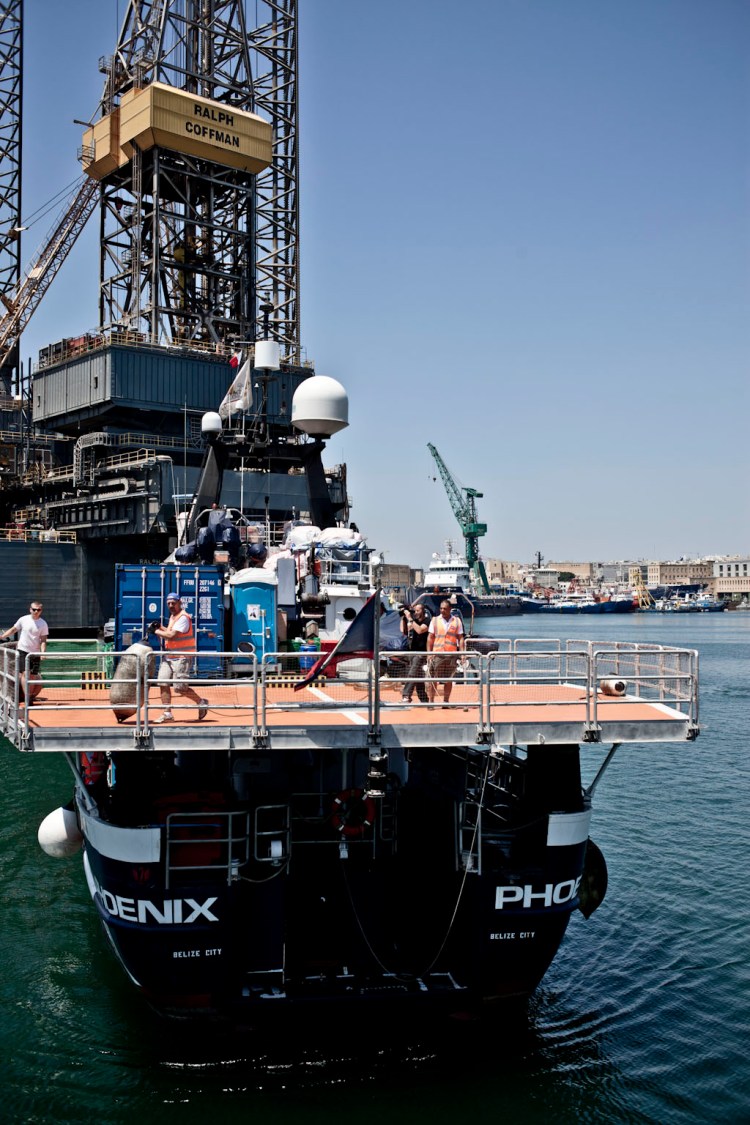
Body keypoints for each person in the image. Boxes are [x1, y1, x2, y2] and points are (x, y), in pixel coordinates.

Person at [150, 593, 208, 723]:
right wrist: (160, 627)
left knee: (179, 688)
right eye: (169, 603)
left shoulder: (183, 617)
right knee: (162, 683)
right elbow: (169, 631)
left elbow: (171, 636)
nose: (171, 605)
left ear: (179, 602)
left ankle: (201, 702)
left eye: (173, 603)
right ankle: (167, 713)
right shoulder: (173, 616)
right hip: (169, 656)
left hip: (182, 658)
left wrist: (156, 632)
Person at [0, 600, 49, 704]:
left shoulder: (43, 624)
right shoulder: (23, 619)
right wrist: (2, 636)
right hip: (22, 650)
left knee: (32, 676)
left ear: (41, 611)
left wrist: (42, 653)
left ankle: (30, 696)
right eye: (34, 609)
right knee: (25, 674)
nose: (36, 611)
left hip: (35, 653)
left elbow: (43, 640)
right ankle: (27, 698)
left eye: (38, 610)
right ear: (30, 609)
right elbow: (14, 629)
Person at [427, 598, 464, 704]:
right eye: (441, 608)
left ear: (450, 609)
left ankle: (446, 701)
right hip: (437, 654)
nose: (442, 610)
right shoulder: (434, 620)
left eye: (445, 609)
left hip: (451, 655)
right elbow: (430, 637)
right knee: (433, 679)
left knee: (449, 679)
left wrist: (462, 654)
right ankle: (431, 701)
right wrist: (429, 653)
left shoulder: (457, 621)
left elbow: (460, 638)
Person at [399, 603, 429, 703]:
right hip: (413, 652)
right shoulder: (414, 621)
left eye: (417, 611)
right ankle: (424, 699)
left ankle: (406, 695)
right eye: (414, 611)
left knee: (412, 673)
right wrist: (403, 618)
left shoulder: (428, 621)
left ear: (423, 611)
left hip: (422, 653)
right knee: (418, 677)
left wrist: (410, 618)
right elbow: (403, 631)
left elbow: (420, 630)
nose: (415, 613)